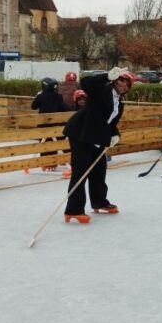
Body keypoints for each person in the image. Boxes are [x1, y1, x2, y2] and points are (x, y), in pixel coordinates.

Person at [61, 67, 134, 224]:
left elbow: (109, 121)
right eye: (121, 80)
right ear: (115, 80)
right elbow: (86, 83)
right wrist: (106, 76)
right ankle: (73, 210)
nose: (123, 85)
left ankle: (99, 201)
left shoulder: (119, 104)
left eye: (127, 83)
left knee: (99, 170)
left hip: (98, 138)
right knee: (81, 172)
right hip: (81, 134)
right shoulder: (102, 90)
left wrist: (115, 134)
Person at [30, 77, 69, 171]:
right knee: (56, 143)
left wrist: (37, 96)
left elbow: (33, 106)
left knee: (44, 144)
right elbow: (64, 108)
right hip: (55, 125)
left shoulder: (40, 96)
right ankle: (54, 162)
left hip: (43, 125)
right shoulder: (58, 96)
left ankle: (45, 164)